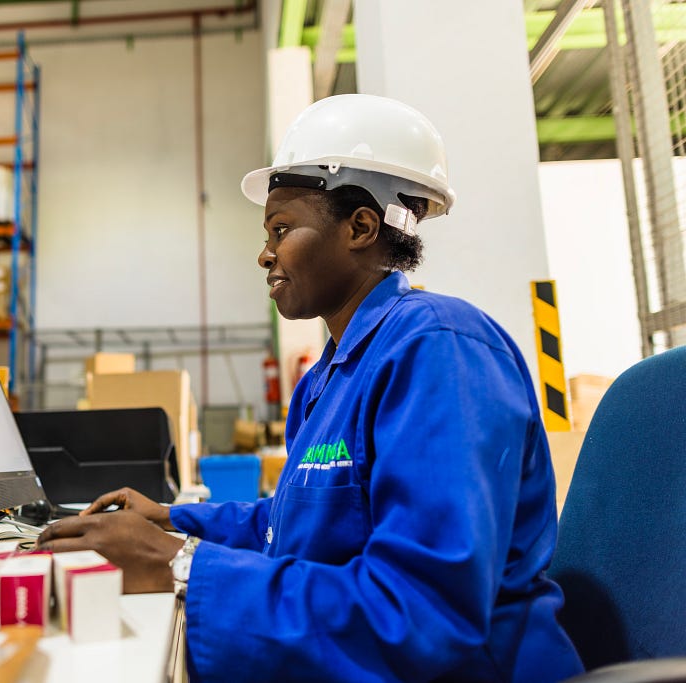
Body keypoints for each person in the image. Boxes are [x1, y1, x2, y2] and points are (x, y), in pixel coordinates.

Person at [36, 94, 584, 682]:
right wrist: (174, 519)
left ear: (361, 227)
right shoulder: (329, 376)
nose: (264, 253)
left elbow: (423, 613)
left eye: (281, 228)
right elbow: (296, 521)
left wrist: (177, 566)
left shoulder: (439, 349)